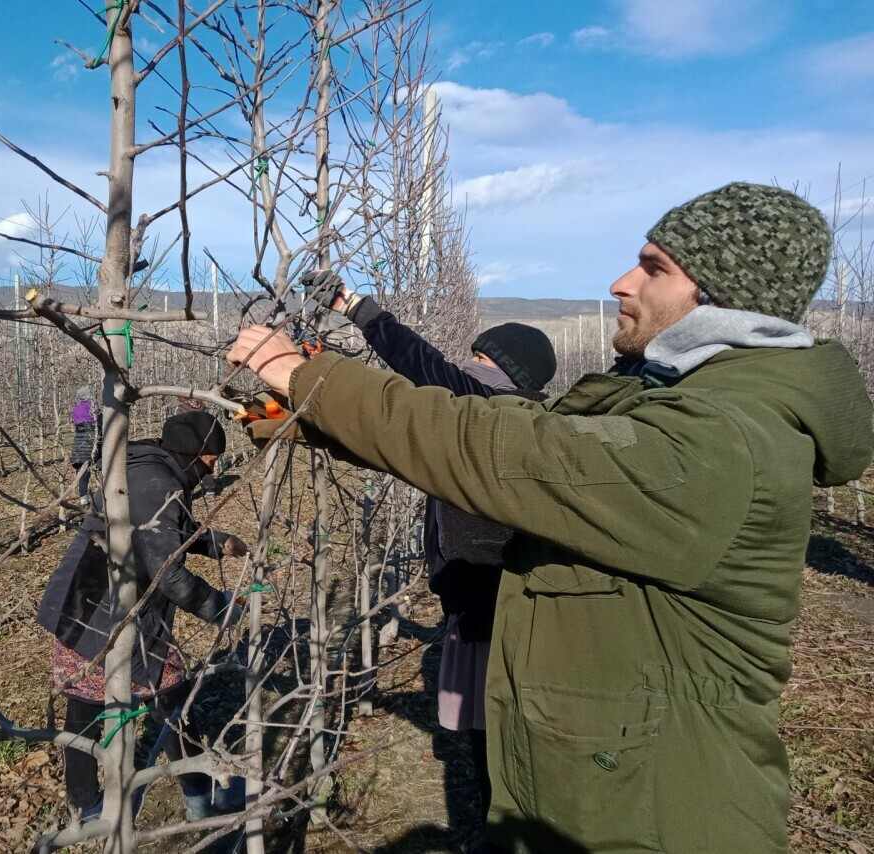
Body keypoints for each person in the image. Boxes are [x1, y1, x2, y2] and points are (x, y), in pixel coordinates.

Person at [228, 183, 874, 853]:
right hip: (611, 788)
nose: (621, 282)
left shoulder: (725, 439)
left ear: (719, 298)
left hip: (655, 818)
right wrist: (313, 424)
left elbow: (514, 451)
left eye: (654, 268)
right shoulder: (678, 402)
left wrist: (311, 378)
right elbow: (530, 428)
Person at [324, 273, 556, 818]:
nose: (468, 365)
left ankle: (501, 824)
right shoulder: (532, 421)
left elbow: (422, 366)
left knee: (489, 727)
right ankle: (506, 818)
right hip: (494, 595)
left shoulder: (487, 408)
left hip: (482, 596)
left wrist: (357, 309)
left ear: (503, 373)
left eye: (479, 357)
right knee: (499, 725)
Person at [36, 411, 249, 822]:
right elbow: (167, 570)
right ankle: (200, 798)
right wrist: (220, 607)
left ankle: (82, 804)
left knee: (83, 709)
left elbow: (157, 530)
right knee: (172, 701)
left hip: (83, 603)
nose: (214, 469)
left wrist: (216, 542)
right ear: (195, 454)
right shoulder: (159, 482)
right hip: (107, 612)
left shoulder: (146, 468)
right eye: (211, 459)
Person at [69, 386, 99, 503]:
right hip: (92, 442)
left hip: (78, 443)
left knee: (84, 472)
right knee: (102, 465)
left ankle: (83, 500)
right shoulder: (93, 408)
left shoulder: (75, 409)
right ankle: (100, 493)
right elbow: (101, 421)